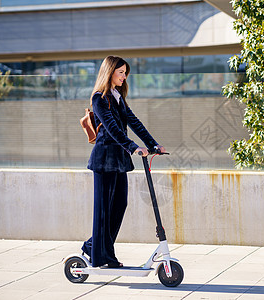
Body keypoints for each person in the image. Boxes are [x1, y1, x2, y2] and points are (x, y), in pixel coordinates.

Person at [82, 55, 165, 268]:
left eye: (125, 72)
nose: (124, 76)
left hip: (119, 161)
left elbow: (134, 122)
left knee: (120, 205)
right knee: (103, 210)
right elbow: (112, 129)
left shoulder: (118, 96)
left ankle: (94, 246)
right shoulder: (99, 98)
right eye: (121, 72)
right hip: (104, 161)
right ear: (109, 72)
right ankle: (103, 257)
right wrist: (133, 147)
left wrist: (153, 144)